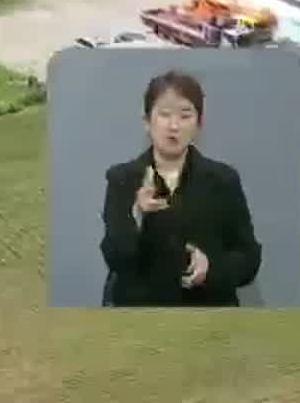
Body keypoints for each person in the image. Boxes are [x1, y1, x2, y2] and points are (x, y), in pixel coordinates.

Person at [100, 70, 261, 306]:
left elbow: (249, 258)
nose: (173, 126)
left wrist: (211, 267)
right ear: (147, 122)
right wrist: (136, 215)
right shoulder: (122, 179)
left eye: (185, 116)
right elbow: (115, 258)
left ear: (199, 124)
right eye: (164, 115)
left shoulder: (223, 180)